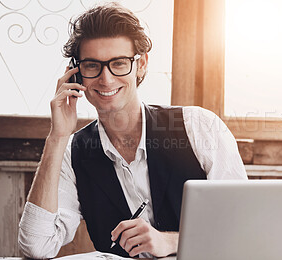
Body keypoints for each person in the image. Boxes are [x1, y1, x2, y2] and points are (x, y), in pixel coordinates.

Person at [18, 3, 247, 259]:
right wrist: (57, 137)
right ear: (76, 73)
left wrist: (172, 242)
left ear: (141, 64)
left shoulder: (200, 126)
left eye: (118, 63)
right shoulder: (73, 151)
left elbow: (243, 226)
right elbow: (36, 246)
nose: (106, 79)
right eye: (92, 65)